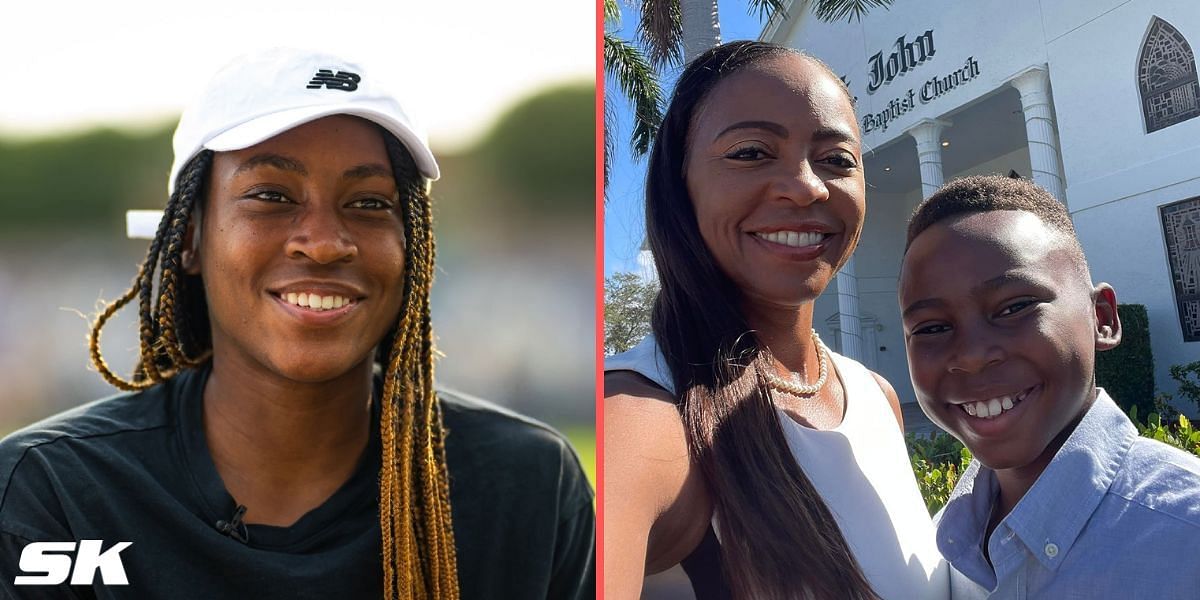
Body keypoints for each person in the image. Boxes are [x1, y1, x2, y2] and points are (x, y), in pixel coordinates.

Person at [0, 48, 594, 599]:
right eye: (272, 195)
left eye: (368, 203)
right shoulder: (52, 490)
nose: (325, 243)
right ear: (188, 237)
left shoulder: (529, 484)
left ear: (413, 245)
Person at [604, 41, 947, 600]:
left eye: (837, 159)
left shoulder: (875, 398)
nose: (808, 185)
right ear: (679, 185)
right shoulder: (638, 417)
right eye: (751, 152)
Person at [898, 175, 1200, 598]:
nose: (971, 355)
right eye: (932, 327)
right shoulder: (942, 544)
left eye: (1015, 307)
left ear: (1103, 318)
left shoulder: (1186, 534)